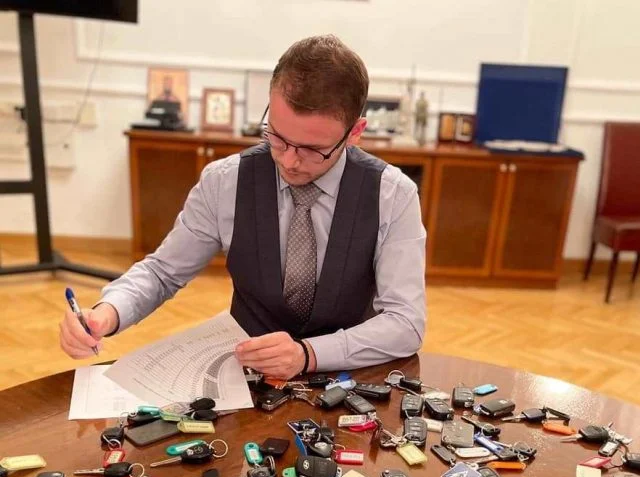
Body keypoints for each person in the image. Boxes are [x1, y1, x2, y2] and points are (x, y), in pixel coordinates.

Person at [59, 35, 426, 380]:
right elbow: (162, 272)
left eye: (313, 150)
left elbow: (406, 322)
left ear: (355, 132)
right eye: (277, 137)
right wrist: (108, 312)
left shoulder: (393, 195)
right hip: (246, 378)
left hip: (350, 379)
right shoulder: (225, 181)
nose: (289, 161)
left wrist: (309, 354)